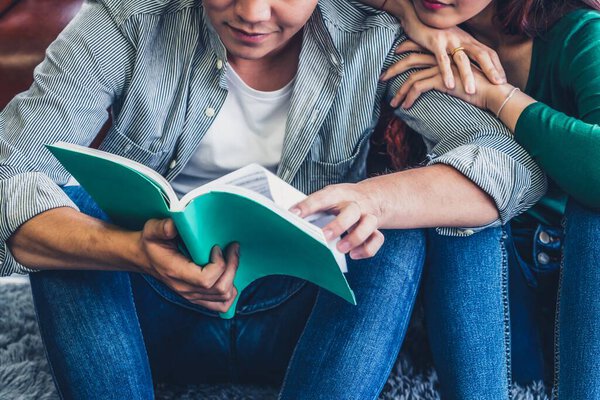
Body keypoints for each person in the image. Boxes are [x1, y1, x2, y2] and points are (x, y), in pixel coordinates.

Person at [0, 0, 544, 398]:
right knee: (68, 217)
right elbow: (9, 174)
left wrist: (371, 199)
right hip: (146, 309)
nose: (254, 13)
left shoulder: (370, 37)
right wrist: (130, 252)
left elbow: (510, 165)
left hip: (299, 317)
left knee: (393, 231)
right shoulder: (127, 20)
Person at [360, 0, 600, 398]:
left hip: (581, 289)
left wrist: (497, 97)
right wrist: (403, 12)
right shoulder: (415, 30)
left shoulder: (579, 35)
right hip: (492, 287)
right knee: (458, 200)